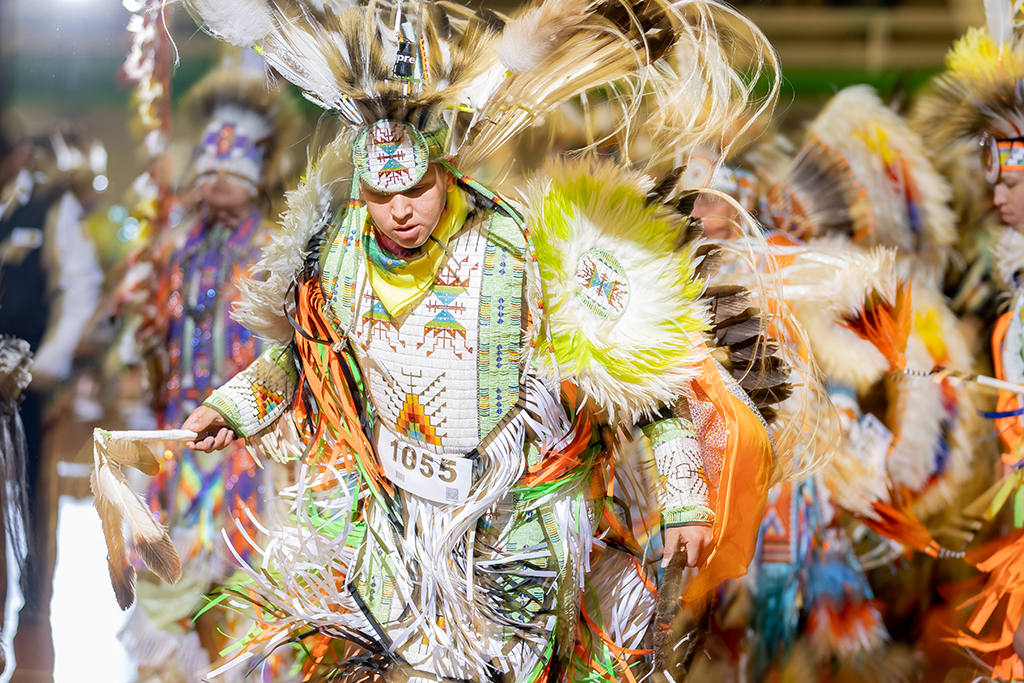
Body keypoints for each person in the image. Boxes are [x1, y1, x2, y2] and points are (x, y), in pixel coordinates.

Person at [107, 0, 788, 680]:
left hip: (510, 527)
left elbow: (643, 373)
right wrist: (230, 407)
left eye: (416, 189)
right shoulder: (338, 252)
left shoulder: (520, 244)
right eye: (380, 195)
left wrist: (683, 498)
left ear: (446, 167)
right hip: (392, 528)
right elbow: (306, 356)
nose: (400, 211)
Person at [118, 62, 299, 682]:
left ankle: (241, 668)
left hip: (250, 436)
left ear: (255, 177)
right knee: (167, 569)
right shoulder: (178, 248)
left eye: (232, 169)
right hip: (179, 433)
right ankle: (171, 668)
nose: (218, 180)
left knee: (248, 572)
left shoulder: (275, 249)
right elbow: (150, 332)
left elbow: (289, 349)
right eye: (210, 169)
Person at [0, 122, 103, 626]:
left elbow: (79, 287)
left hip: (22, 378)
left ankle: (34, 595)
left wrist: (45, 366)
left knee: (28, 489)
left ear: (18, 157)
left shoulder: (49, 205)